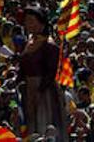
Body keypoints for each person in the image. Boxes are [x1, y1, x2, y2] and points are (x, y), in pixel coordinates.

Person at [17, 8, 67, 140]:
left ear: (42, 24)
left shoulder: (50, 46)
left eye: (32, 21)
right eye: (27, 21)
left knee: (43, 121)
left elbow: (51, 73)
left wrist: (39, 91)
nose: (28, 24)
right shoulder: (27, 44)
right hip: (28, 89)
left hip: (44, 91)